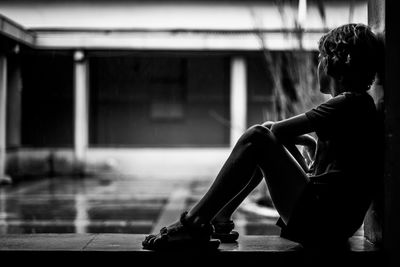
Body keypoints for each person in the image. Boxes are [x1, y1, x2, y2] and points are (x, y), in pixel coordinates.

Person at [142, 23, 383, 250]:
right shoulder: (358, 104)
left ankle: (194, 223)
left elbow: (274, 132)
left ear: (334, 62)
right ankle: (221, 216)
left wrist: (303, 141)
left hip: (322, 221)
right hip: (329, 221)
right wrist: (308, 142)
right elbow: (277, 130)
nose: (316, 65)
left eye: (319, 59)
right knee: (264, 130)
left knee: (257, 136)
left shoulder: (348, 102)